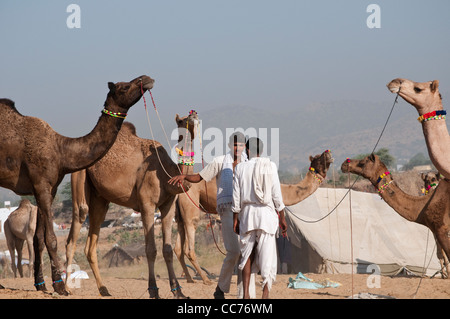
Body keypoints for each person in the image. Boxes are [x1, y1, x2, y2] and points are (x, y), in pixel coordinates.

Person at [168, 131, 255, 299]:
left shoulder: (250, 163)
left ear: (245, 146)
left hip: (246, 211)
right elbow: (201, 176)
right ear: (230, 146)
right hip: (228, 210)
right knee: (234, 252)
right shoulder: (220, 161)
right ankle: (220, 290)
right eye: (235, 144)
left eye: (241, 145)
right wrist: (185, 176)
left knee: (247, 253)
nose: (238, 147)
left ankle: (245, 295)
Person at [232, 137, 287, 299]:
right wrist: (282, 218)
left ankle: (247, 295)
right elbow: (277, 196)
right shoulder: (270, 166)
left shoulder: (240, 168)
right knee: (267, 256)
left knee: (247, 254)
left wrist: (235, 218)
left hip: (248, 214)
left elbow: (236, 196)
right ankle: (265, 295)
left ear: (247, 150)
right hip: (266, 215)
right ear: (261, 151)